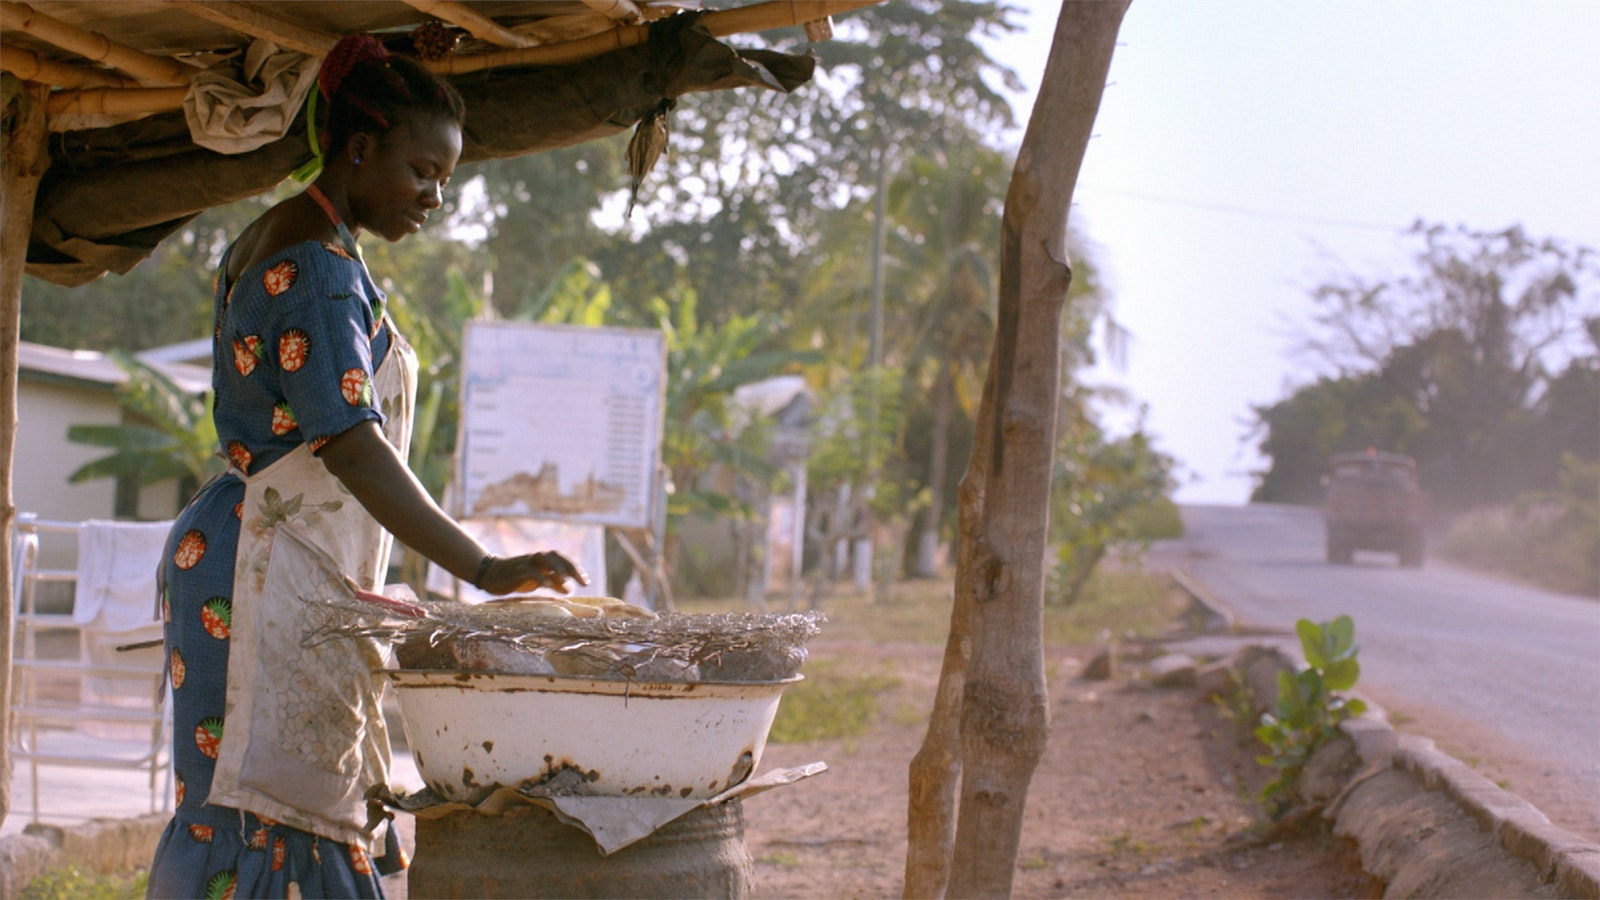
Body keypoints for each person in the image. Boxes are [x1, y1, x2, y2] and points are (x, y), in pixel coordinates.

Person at [147, 35, 586, 899]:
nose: (434, 197)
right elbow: (351, 444)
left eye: (445, 180)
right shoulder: (315, 266)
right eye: (423, 171)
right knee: (273, 805)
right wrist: (485, 566)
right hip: (258, 576)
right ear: (359, 147)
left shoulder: (312, 242)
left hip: (266, 561)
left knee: (279, 807)